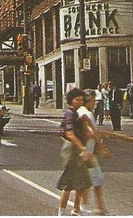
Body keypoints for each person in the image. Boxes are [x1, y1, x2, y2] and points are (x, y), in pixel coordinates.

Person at [56, 88, 93, 216]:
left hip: (78, 147)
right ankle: (61, 212)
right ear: (70, 101)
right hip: (72, 148)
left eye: (81, 100)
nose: (79, 102)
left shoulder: (78, 113)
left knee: (82, 181)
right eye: (77, 100)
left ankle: (76, 209)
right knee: (68, 182)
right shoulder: (70, 114)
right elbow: (70, 134)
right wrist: (82, 149)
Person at [74, 90, 109, 216]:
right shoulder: (86, 114)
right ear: (88, 101)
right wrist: (100, 145)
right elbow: (90, 132)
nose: (94, 104)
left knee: (87, 181)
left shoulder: (80, 112)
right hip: (87, 152)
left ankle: (82, 207)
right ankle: (97, 208)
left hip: (84, 151)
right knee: (96, 181)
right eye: (93, 101)